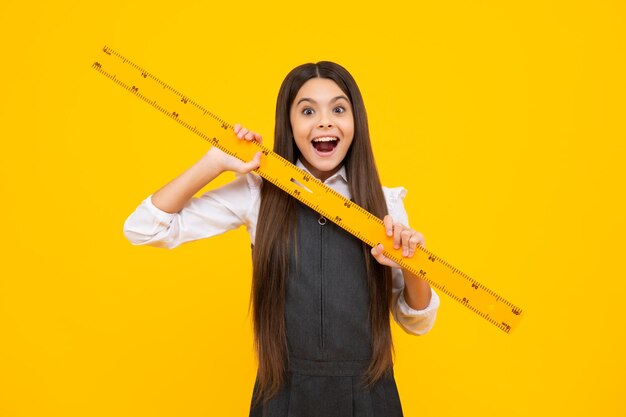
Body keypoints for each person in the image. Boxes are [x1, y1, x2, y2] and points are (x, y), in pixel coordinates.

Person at [123, 61, 440, 417]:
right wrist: (213, 163)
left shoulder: (386, 204)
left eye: (338, 109)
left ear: (356, 123)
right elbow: (144, 227)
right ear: (289, 124)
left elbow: (417, 322)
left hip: (370, 399)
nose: (324, 121)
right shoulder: (258, 193)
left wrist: (414, 266)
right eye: (307, 110)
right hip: (283, 398)